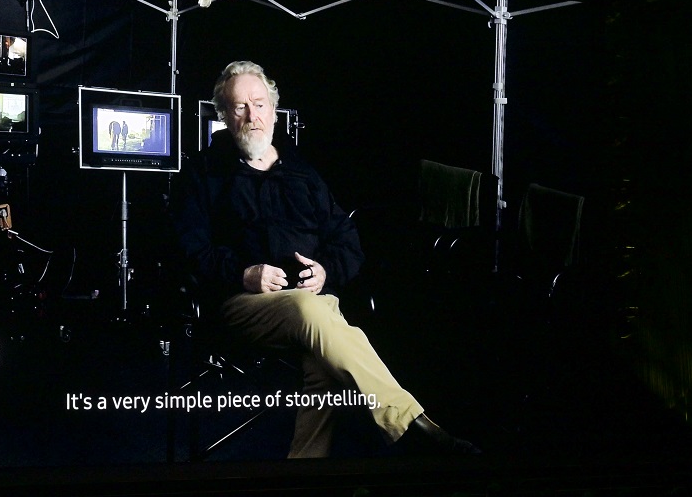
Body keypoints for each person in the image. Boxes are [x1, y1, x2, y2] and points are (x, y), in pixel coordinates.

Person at [170, 60, 480, 458]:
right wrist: (244, 273)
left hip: (315, 306)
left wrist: (326, 270)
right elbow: (189, 251)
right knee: (312, 312)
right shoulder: (201, 173)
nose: (252, 115)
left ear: (274, 111)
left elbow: (347, 241)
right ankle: (411, 425)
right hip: (245, 304)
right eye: (240, 107)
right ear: (225, 115)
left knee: (324, 365)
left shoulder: (303, 172)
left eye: (259, 104)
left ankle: (303, 473)